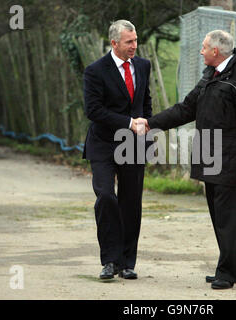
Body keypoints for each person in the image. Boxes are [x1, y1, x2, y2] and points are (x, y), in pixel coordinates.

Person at [137, 30, 236, 289]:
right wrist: (151, 123)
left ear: (216, 52)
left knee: (226, 216)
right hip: (209, 155)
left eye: (204, 47)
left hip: (229, 158)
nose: (201, 51)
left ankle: (226, 273)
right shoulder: (210, 76)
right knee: (220, 215)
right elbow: (186, 109)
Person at [82, 20, 152, 280]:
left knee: (131, 202)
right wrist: (128, 123)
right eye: (129, 42)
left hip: (133, 144)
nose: (135, 46)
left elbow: (145, 102)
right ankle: (109, 260)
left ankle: (126, 262)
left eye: (135, 40)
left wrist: (148, 129)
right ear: (114, 43)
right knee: (106, 197)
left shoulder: (143, 66)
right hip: (102, 143)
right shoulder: (95, 71)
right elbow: (94, 110)